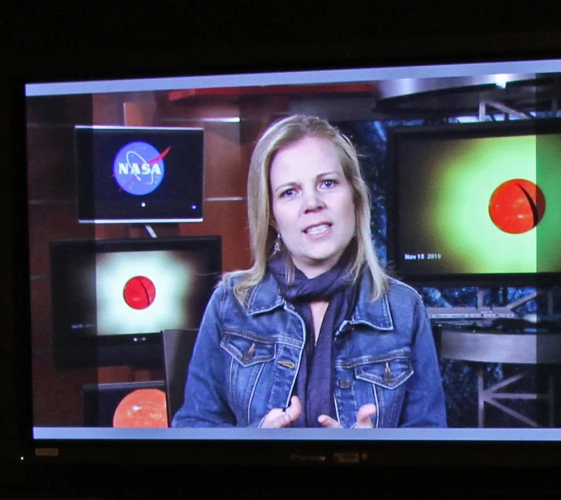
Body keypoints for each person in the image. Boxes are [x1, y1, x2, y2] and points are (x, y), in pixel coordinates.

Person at [174, 113, 446, 430]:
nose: (312, 203)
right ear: (272, 216)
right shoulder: (230, 303)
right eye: (289, 192)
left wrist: (374, 457)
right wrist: (254, 448)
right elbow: (194, 428)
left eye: (327, 183)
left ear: (355, 198)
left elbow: (429, 441)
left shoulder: (404, 308)